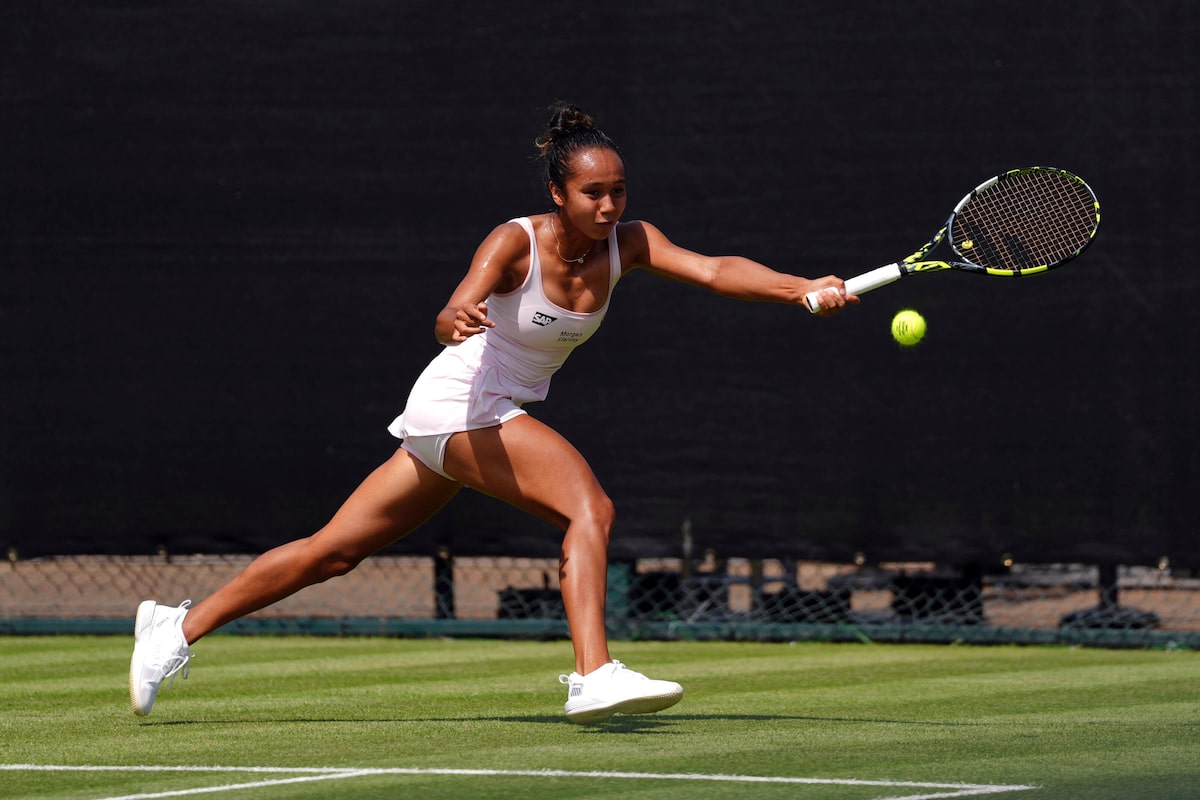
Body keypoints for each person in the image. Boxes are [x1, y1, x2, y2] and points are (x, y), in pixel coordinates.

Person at [129, 102, 857, 724]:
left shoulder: (629, 243)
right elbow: (457, 304)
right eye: (593, 193)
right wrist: (455, 318)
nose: (609, 207)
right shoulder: (517, 240)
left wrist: (799, 288)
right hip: (460, 400)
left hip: (478, 410)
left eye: (619, 192)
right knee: (589, 509)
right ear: (558, 192)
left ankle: (175, 628)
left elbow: (714, 268)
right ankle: (593, 674)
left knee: (334, 551)